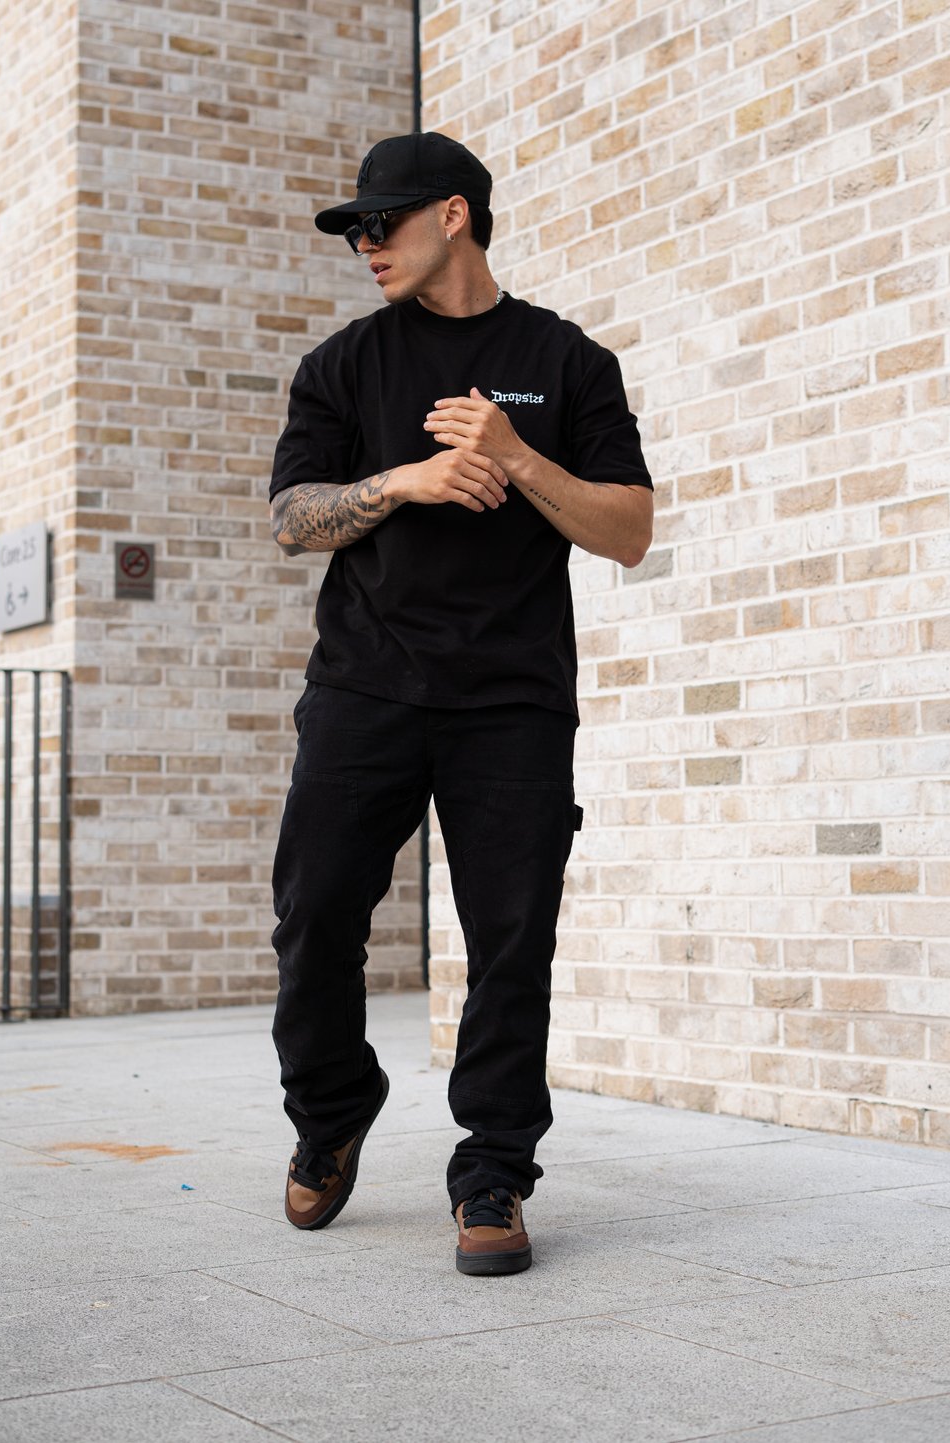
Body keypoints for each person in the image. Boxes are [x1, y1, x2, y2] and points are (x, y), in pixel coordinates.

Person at [268, 131, 653, 1276]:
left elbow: (628, 532)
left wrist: (516, 456)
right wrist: (405, 480)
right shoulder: (344, 365)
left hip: (513, 703)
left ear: (453, 214)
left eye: (378, 225)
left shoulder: (565, 359)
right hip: (363, 689)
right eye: (352, 231)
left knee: (509, 945)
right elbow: (292, 520)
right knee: (314, 916)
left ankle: (492, 1168)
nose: (363, 246)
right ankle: (332, 1110)